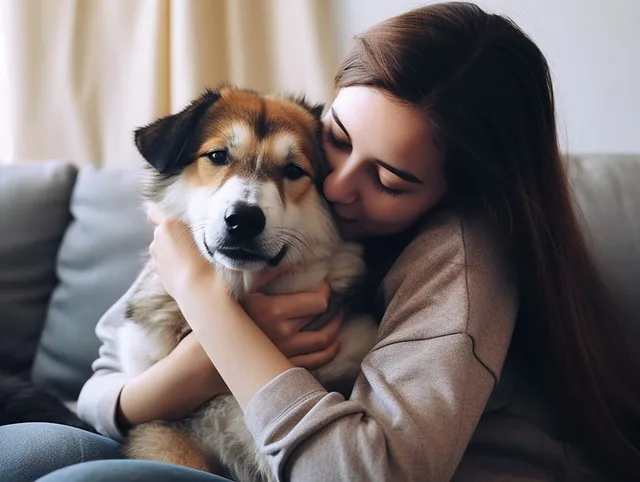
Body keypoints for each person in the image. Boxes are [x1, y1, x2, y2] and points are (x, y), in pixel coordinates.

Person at [2, 2, 638, 481]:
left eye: (388, 179)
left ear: (457, 192)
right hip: (204, 440)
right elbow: (98, 392)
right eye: (334, 136)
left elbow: (363, 471)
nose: (333, 186)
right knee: (27, 451)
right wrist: (195, 367)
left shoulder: (462, 258)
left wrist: (208, 305)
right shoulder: (250, 230)